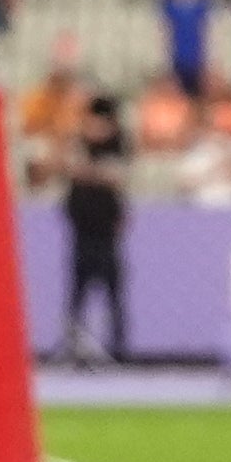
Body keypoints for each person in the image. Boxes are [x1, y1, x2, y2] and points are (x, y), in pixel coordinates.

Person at [56, 93, 133, 368]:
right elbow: (68, 167)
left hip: (106, 233)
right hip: (81, 230)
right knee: (77, 292)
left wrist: (89, 173)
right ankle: (72, 346)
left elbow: (116, 177)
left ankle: (119, 348)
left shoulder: (118, 146)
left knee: (113, 291)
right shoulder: (79, 144)